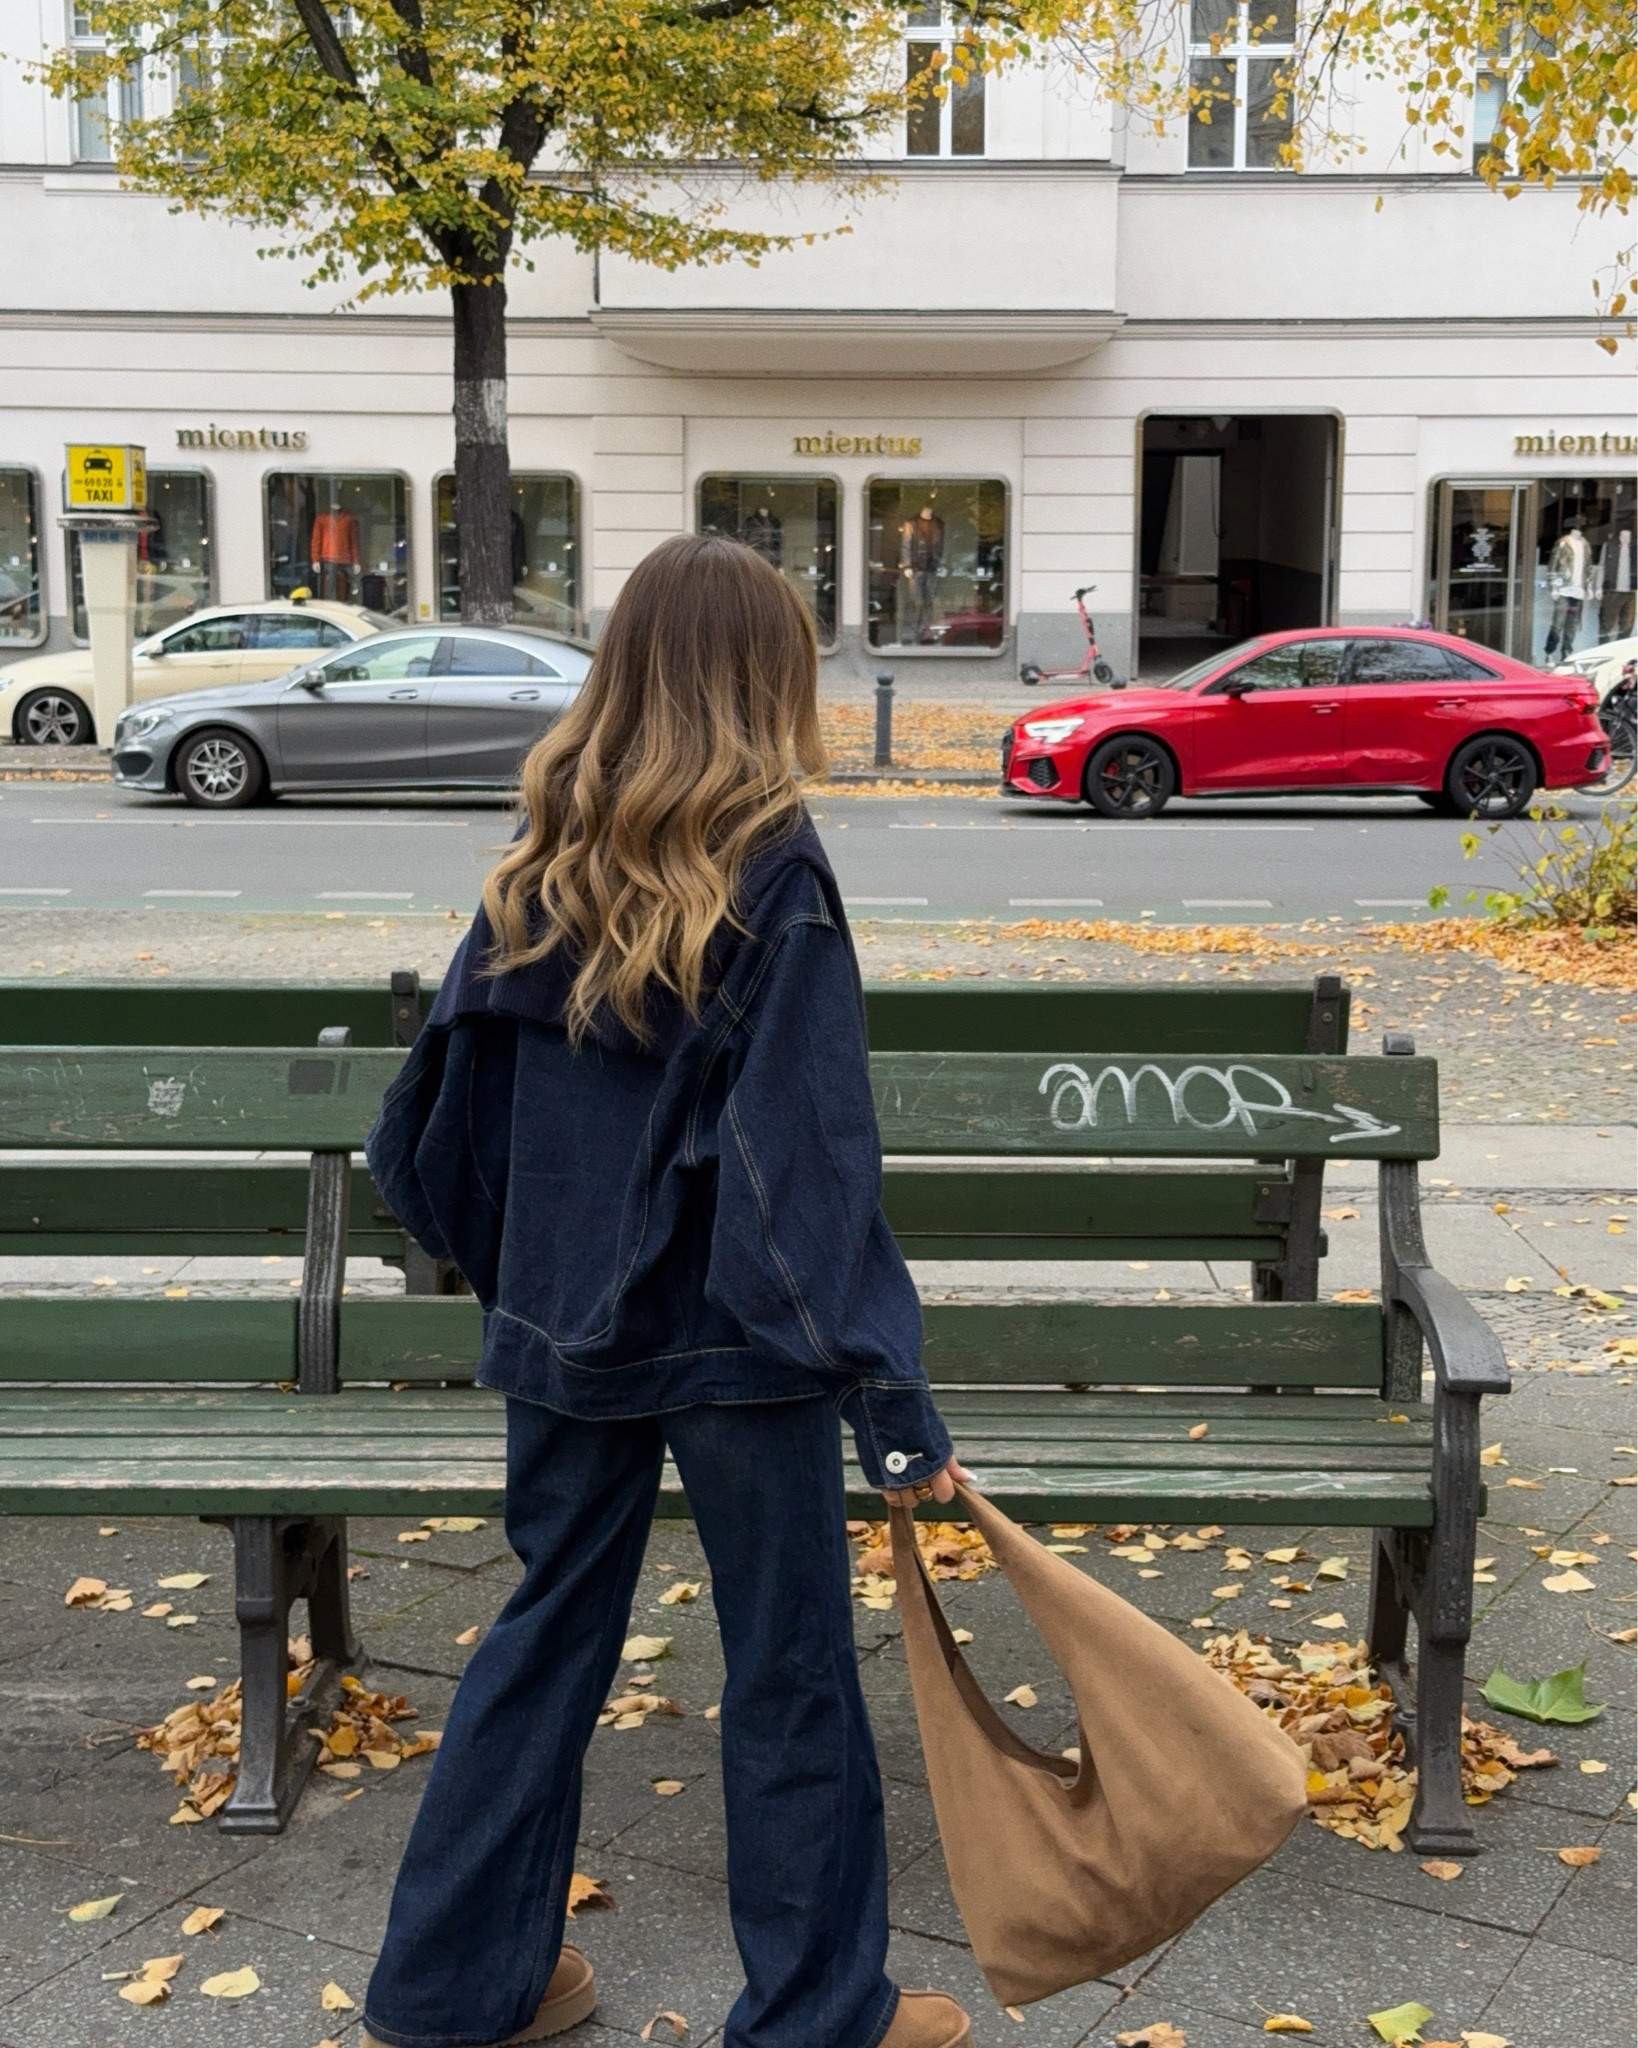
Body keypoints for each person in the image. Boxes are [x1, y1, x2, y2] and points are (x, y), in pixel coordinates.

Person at [361, 534, 970, 2048]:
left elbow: (429, 1126)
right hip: (739, 1342)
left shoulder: (536, 860)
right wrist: (885, 1388)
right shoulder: (774, 868)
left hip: (563, 1321)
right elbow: (804, 1157)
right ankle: (819, 2013)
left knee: (543, 1630)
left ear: (626, 665)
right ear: (768, 681)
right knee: (786, 1667)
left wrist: (523, 1276)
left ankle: (453, 1992)